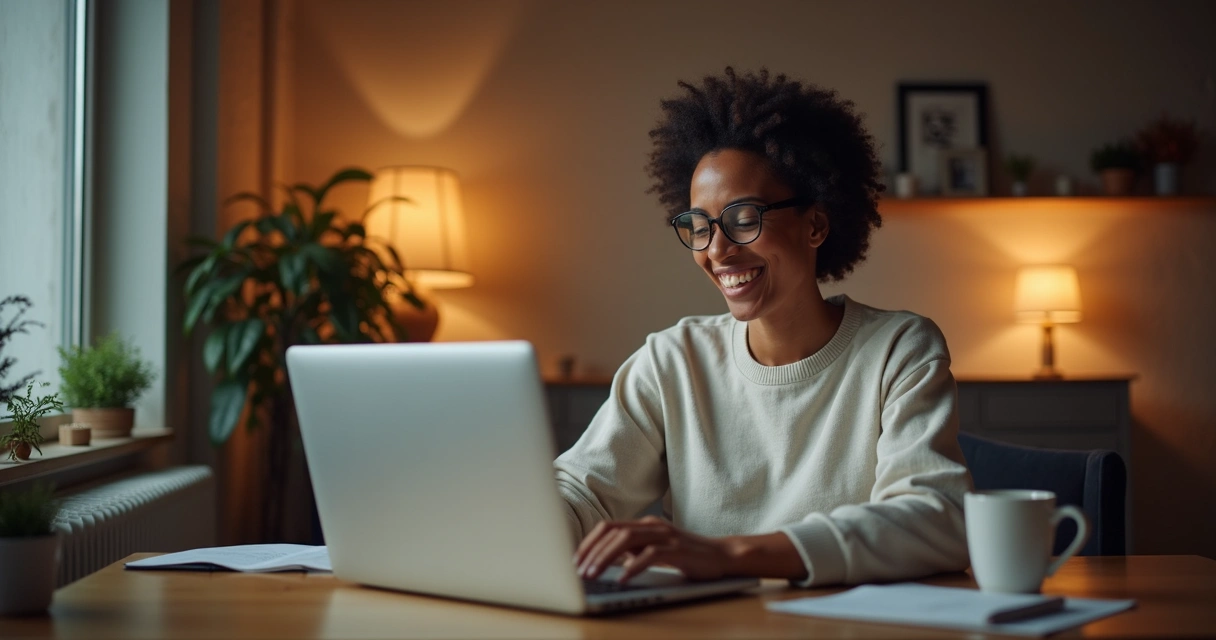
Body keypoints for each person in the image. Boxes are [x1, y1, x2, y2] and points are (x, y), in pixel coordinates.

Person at [554, 67, 973, 587]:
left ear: (816, 225)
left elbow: (938, 518)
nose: (718, 250)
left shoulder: (898, 350)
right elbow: (582, 490)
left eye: (743, 218)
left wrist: (730, 554)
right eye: (700, 227)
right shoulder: (673, 360)